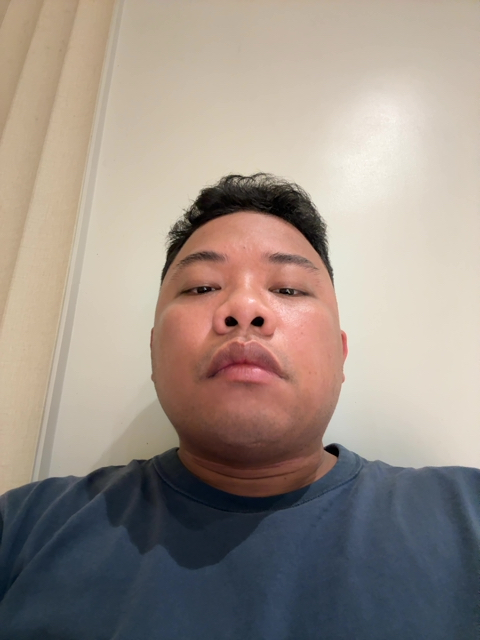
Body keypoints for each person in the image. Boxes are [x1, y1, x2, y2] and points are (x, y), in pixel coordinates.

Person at [0, 174, 478, 639]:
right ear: (153, 352)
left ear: (341, 353)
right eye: (202, 287)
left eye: (288, 289)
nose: (245, 308)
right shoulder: (23, 528)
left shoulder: (467, 514)